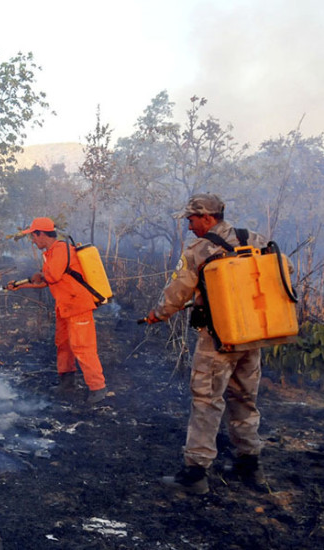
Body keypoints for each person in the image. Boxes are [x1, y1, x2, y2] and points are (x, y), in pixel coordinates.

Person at [145, 193, 269, 495]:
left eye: (191, 219)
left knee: (206, 402)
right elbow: (283, 270)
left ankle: (196, 473)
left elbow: (177, 292)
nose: (189, 226)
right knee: (245, 399)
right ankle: (250, 465)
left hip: (218, 340)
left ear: (207, 218)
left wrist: (158, 314)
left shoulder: (198, 250)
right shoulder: (253, 238)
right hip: (252, 335)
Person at [5, 217, 108, 404]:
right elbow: (46, 281)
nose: (33, 241)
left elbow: (51, 276)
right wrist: (20, 285)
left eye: (33, 237)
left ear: (42, 234)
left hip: (78, 306)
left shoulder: (60, 249)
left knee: (83, 348)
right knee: (63, 344)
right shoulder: (51, 253)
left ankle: (98, 388)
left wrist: (39, 275)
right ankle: (67, 383)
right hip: (65, 306)